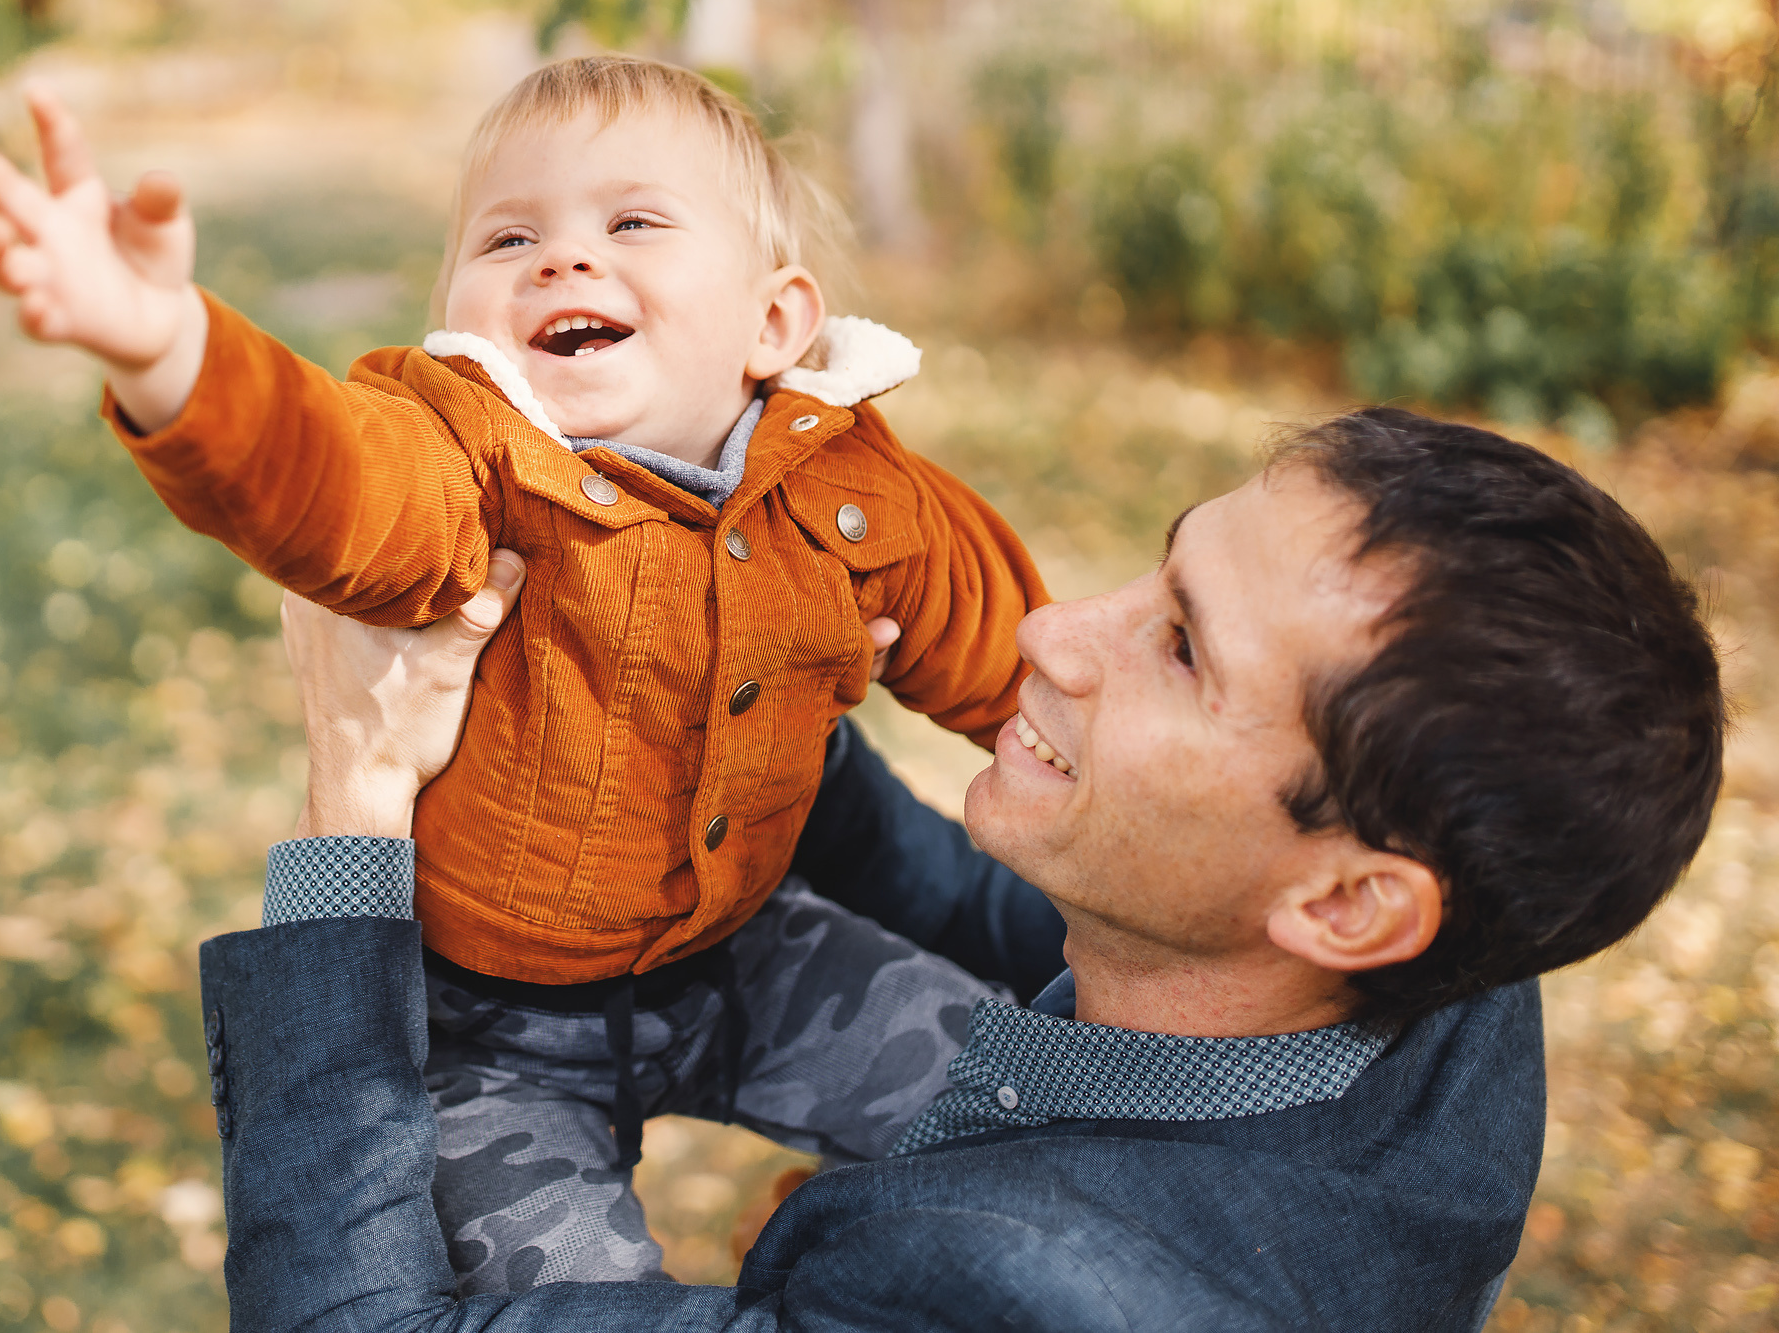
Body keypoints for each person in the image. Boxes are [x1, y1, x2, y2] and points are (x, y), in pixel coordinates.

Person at [200, 408, 1725, 1330]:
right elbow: (1000, 912)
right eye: (1164, 567)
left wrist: (357, 794)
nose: (1053, 631)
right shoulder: (1459, 982)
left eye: (1181, 649)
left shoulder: (995, 1289)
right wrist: (721, 669)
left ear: (1345, 902)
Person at [0, 57, 1048, 1283]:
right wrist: (166, 352)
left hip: (751, 950)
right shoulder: (471, 460)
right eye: (509, 236)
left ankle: (844, 1242)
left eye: (632, 223)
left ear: (773, 324)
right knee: (562, 1298)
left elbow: (1006, 642)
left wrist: (1085, 742)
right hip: (494, 1036)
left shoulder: (848, 484)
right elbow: (329, 477)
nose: (562, 259)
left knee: (1033, 1109)